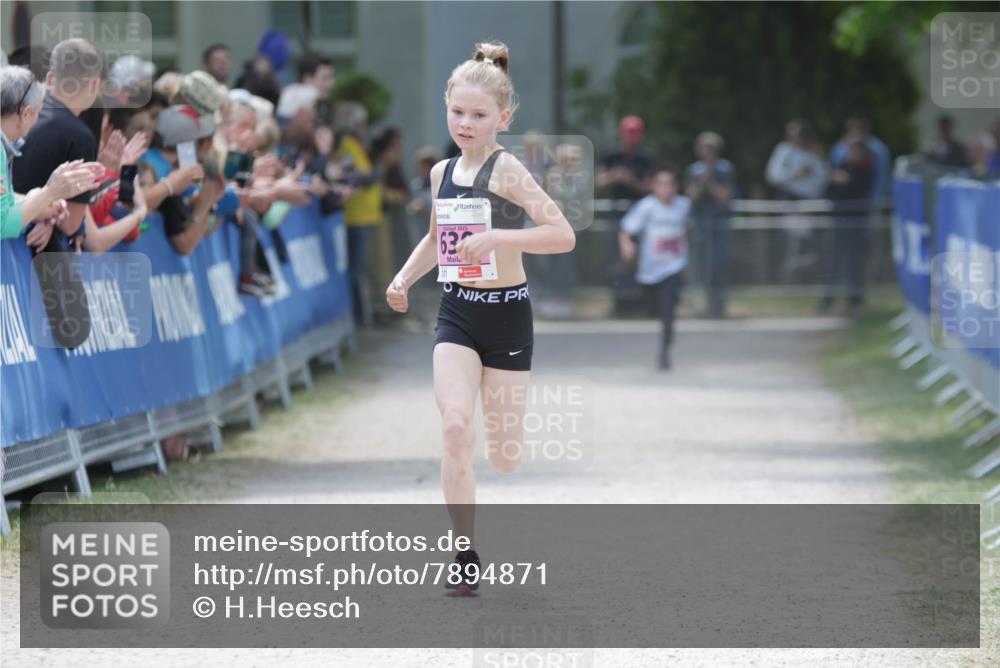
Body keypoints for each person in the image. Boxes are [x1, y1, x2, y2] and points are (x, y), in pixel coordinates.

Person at [384, 41, 575, 596]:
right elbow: (435, 238)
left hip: (508, 316)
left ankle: (498, 461)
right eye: (458, 112)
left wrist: (498, 236)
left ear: (503, 119)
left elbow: (561, 235)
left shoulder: (508, 169)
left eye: (480, 114)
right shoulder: (442, 170)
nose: (466, 123)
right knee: (454, 429)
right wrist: (403, 277)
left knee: (507, 459)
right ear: (446, 106)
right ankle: (464, 554)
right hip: (457, 316)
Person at [11, 38, 105, 253]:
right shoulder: (80, 138)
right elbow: (70, 223)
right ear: (94, 85)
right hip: (36, 249)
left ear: (51, 78)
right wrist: (50, 217)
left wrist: (44, 214)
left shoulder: (18, 114)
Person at [619, 166, 691, 370]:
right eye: (661, 183)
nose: (666, 188)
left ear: (676, 187)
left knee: (668, 314)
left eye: (670, 183)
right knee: (652, 309)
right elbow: (626, 230)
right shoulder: (646, 207)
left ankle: (664, 353)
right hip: (650, 271)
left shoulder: (684, 205)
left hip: (674, 268)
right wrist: (626, 244)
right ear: (653, 186)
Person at [597, 115, 653, 315]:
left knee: (640, 259)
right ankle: (619, 304)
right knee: (617, 260)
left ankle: (642, 304)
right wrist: (614, 176)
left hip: (640, 217)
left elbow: (651, 187)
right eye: (628, 133)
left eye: (634, 133)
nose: (631, 138)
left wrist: (631, 181)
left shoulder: (646, 157)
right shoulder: (612, 155)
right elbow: (598, 182)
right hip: (617, 216)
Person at [336, 101, 383, 327]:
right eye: (361, 123)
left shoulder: (357, 144)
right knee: (355, 270)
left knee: (359, 269)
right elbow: (356, 177)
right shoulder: (347, 145)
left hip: (364, 215)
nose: (364, 127)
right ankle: (357, 319)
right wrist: (374, 174)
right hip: (356, 216)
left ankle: (360, 317)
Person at [819, 133, 875, 316]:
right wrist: (836, 181)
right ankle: (828, 300)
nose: (850, 154)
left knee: (855, 264)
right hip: (839, 222)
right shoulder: (842, 166)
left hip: (857, 223)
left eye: (854, 150)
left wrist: (846, 182)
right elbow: (828, 190)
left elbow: (860, 190)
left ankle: (855, 300)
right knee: (833, 262)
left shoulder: (867, 169)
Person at [685, 131, 736, 318]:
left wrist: (710, 182)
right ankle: (702, 306)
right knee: (701, 266)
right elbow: (691, 197)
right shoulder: (694, 170)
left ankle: (718, 306)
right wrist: (701, 182)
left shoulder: (725, 169)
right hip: (700, 225)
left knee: (718, 265)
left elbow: (726, 198)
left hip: (719, 224)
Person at [829, 114, 890, 204]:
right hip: (841, 202)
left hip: (865, 201)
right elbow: (833, 170)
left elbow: (881, 177)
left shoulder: (878, 149)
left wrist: (876, 201)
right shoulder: (838, 147)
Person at [765, 119, 827, 200]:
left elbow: (823, 178)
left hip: (810, 199)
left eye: (800, 134)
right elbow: (772, 175)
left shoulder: (815, 153)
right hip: (788, 198)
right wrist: (794, 175)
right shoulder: (783, 150)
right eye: (791, 135)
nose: (796, 138)